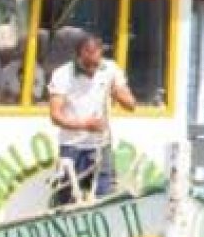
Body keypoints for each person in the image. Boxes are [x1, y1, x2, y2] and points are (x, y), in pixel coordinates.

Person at [47, 33, 137, 205]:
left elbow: (131, 104)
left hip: (100, 146)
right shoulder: (62, 74)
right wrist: (85, 124)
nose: (92, 69)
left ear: (101, 54)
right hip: (71, 147)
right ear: (78, 55)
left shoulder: (110, 69)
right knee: (67, 202)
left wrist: (120, 94)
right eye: (87, 64)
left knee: (107, 200)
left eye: (96, 64)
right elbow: (55, 116)